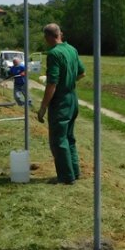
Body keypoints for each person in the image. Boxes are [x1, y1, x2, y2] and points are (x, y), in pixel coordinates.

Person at [37, 23, 85, 185]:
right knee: (69, 137)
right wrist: (70, 81)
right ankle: (75, 171)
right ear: (60, 34)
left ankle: (66, 177)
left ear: (49, 37)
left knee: (58, 140)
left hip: (61, 102)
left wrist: (43, 106)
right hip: (73, 99)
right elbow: (82, 73)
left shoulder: (54, 54)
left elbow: (52, 84)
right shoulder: (72, 49)